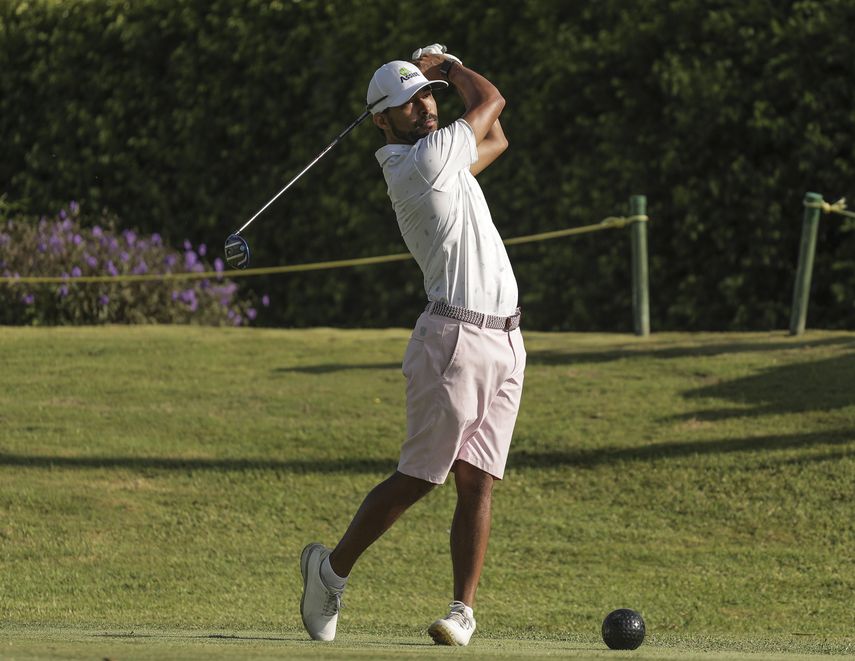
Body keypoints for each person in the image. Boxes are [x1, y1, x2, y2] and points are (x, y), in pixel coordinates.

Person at [300, 44, 526, 647]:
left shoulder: (445, 159)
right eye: (409, 102)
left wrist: (438, 75)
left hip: (505, 338)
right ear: (382, 120)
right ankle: (330, 572)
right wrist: (447, 64)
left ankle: (461, 611)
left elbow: (496, 137)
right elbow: (492, 101)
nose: (425, 106)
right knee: (422, 476)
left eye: (426, 95)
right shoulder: (423, 161)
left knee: (478, 480)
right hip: (452, 337)